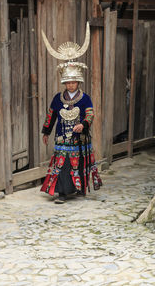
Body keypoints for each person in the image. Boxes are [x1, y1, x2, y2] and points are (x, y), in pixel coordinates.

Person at [40, 22, 102, 204]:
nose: (71, 85)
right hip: (61, 138)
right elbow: (51, 115)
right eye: (67, 83)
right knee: (63, 164)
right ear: (64, 84)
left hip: (80, 138)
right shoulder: (57, 98)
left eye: (73, 82)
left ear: (78, 82)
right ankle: (62, 193)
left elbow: (90, 114)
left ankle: (79, 188)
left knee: (80, 162)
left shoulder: (85, 99)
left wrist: (84, 124)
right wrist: (46, 131)